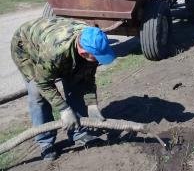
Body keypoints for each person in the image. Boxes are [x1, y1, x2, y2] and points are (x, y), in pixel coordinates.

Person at [11, 17, 116, 161]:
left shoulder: (92, 39)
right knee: (38, 96)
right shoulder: (54, 53)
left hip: (53, 40)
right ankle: (45, 143)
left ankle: (79, 133)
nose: (98, 60)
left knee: (76, 84)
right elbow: (43, 84)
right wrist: (63, 109)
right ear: (83, 52)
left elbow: (87, 77)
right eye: (96, 57)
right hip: (27, 47)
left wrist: (92, 104)